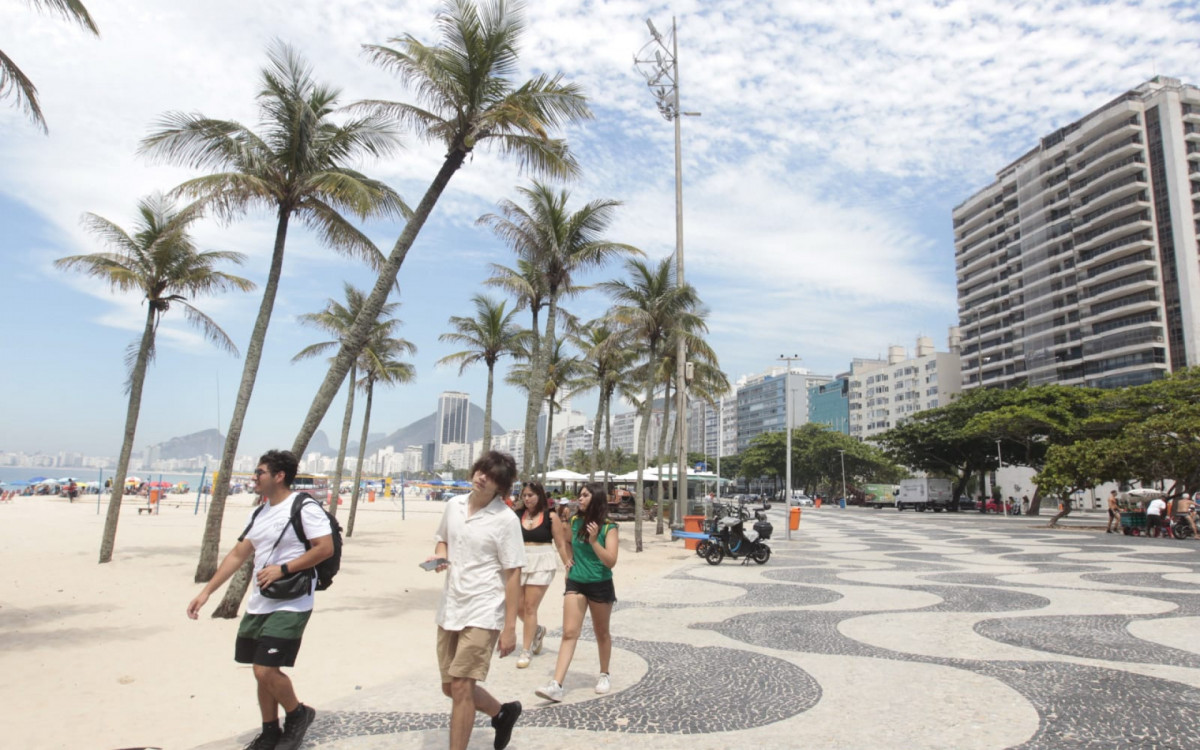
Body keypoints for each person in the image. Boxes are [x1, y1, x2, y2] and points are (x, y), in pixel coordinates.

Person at [187, 449, 333, 750]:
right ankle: (269, 731)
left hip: (292, 600)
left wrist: (283, 569)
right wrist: (206, 592)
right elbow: (239, 554)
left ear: (279, 476)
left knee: (265, 669)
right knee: (260, 669)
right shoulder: (258, 512)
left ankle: (298, 714)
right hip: (260, 601)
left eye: (260, 472)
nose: (254, 477)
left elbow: (324, 548)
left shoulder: (303, 507)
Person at [428, 451, 525, 750]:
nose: (482, 477)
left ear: (501, 487)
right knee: (450, 687)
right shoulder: (453, 505)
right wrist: (441, 555)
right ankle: (502, 712)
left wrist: (509, 627)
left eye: (492, 476)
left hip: (484, 608)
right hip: (451, 605)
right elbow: (443, 538)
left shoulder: (506, 520)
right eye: (481, 470)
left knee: (461, 686)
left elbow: (513, 574)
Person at [536, 483, 619, 703]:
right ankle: (556, 684)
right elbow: (565, 542)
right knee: (569, 632)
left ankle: (604, 674)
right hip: (576, 582)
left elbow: (611, 561)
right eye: (579, 495)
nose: (579, 499)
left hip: (600, 584)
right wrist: (568, 562)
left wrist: (593, 542)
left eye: (584, 495)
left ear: (596, 498)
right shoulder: (574, 521)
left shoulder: (609, 527)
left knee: (602, 633)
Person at [513, 481, 565, 669]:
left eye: (531, 495)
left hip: (542, 561)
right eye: (524, 495)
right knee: (517, 606)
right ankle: (537, 631)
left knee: (529, 607)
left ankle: (526, 650)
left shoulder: (551, 517)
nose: (527, 499)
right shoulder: (516, 515)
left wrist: (568, 564)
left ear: (540, 496)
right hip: (520, 562)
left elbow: (560, 543)